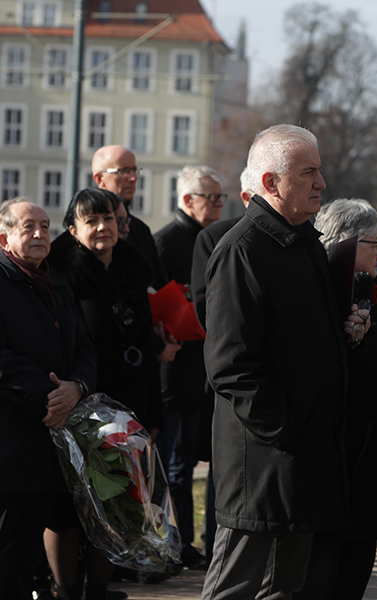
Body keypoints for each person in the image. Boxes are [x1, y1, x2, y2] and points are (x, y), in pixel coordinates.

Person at [201, 124, 366, 599]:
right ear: (271, 183)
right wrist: (287, 430)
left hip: (304, 456)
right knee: (238, 585)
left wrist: (346, 331)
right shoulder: (242, 250)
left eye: (319, 171)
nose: (322, 184)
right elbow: (231, 364)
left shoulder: (304, 242)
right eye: (309, 173)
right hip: (266, 460)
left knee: (286, 588)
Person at [0, 199, 97, 600]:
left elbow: (84, 349)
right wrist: (53, 395)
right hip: (5, 442)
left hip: (49, 443)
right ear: (3, 238)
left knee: (20, 558)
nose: (39, 234)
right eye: (28, 227)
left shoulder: (58, 285)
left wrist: (77, 388)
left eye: (46, 227)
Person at [303, 198, 377, 599]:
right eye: (375, 242)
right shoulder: (320, 290)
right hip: (344, 458)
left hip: (370, 452)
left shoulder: (360, 289)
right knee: (331, 571)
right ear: (348, 244)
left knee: (357, 564)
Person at [46, 187, 164, 600]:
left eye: (109, 219)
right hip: (82, 406)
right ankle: (65, 590)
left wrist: (152, 415)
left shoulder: (133, 268)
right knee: (68, 509)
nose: (102, 228)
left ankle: (98, 590)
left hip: (130, 404)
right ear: (74, 229)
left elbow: (146, 345)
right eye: (91, 221)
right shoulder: (60, 274)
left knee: (120, 503)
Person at [153, 165, 226, 571]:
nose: (217, 204)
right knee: (174, 466)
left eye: (221, 198)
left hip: (205, 369)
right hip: (174, 368)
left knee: (199, 460)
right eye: (210, 197)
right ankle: (175, 543)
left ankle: (202, 542)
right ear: (187, 200)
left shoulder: (221, 238)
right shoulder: (165, 243)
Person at [189, 169, 252, 566]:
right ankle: (216, 547)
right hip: (229, 373)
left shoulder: (301, 238)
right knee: (221, 469)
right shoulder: (216, 239)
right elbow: (203, 305)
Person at [92, 145, 168, 290]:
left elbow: (159, 286)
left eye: (134, 170)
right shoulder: (84, 229)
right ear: (99, 178)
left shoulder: (140, 230)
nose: (133, 178)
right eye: (124, 171)